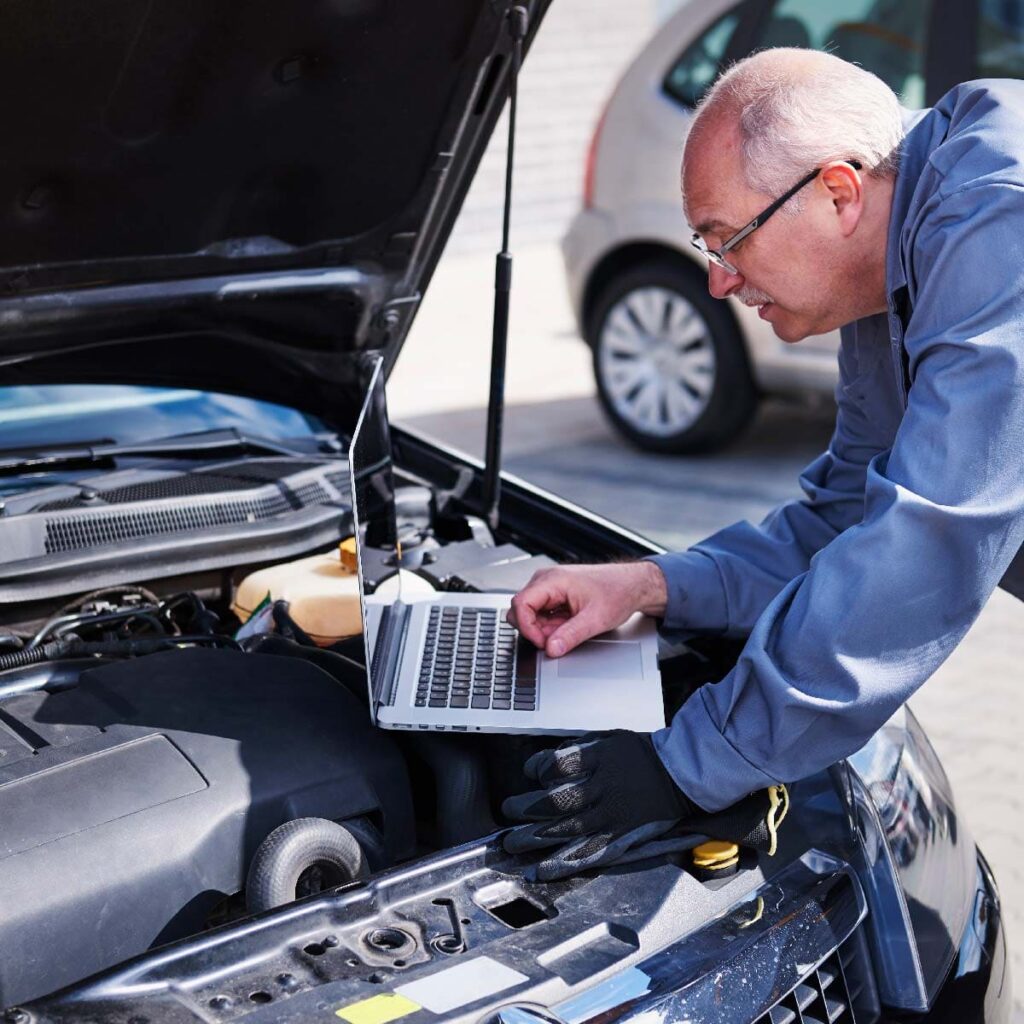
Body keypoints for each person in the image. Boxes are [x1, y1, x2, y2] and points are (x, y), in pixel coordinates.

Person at [501, 48, 1024, 880]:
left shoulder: (1002, 219)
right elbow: (847, 517)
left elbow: (929, 541)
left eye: (727, 238)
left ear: (839, 193)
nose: (716, 280)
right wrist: (651, 585)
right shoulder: (889, 267)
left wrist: (692, 762)